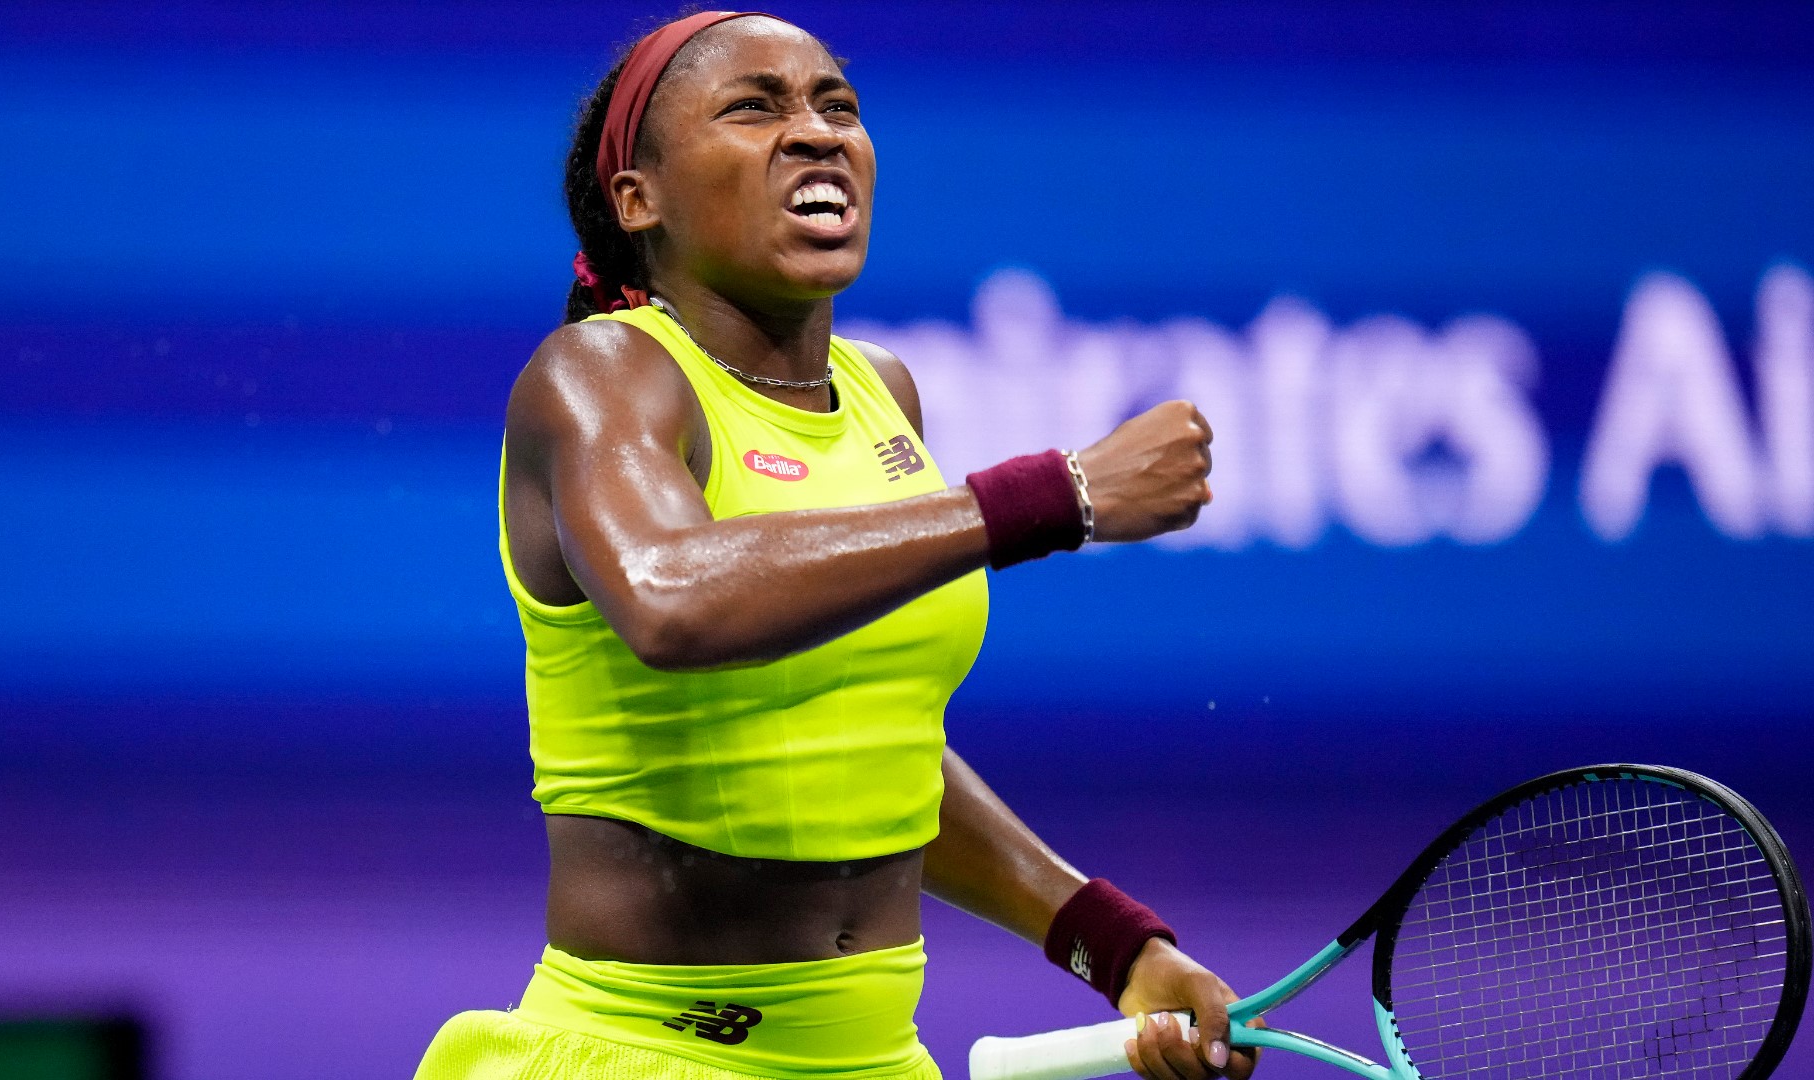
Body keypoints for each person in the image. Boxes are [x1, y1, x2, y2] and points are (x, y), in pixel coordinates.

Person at [415, 12, 1253, 1080]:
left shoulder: (881, 390)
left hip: (876, 1058)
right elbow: (673, 600)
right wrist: (1056, 497)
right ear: (639, 198)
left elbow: (873, 747)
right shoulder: (598, 376)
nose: (814, 132)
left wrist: (1111, 941)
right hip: (637, 1053)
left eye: (836, 106)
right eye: (755, 106)